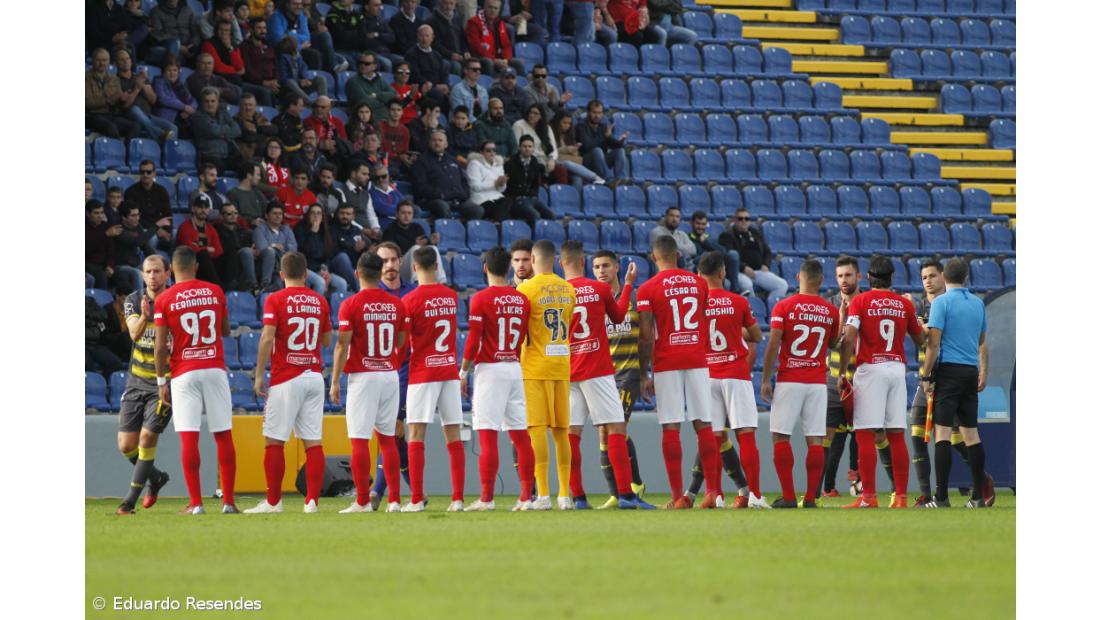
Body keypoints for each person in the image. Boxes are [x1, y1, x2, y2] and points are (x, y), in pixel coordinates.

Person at [560, 242, 655, 510]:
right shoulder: (598, 289)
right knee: (615, 428)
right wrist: (628, 285)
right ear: (583, 262)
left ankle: (579, 498)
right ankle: (626, 494)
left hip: (567, 371)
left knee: (572, 434)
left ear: (561, 263)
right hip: (597, 369)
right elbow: (619, 315)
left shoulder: (556, 293)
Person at [636, 235, 721, 509]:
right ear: (679, 255)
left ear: (653, 257)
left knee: (671, 426)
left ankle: (677, 498)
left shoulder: (647, 289)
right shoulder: (700, 283)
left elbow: (646, 337)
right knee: (704, 424)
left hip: (666, 361)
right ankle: (713, 493)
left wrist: (644, 374)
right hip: (697, 358)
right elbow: (704, 319)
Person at [244, 251, 332, 514]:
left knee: (274, 441)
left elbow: (267, 338)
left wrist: (260, 375)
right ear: (305, 274)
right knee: (313, 442)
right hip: (314, 376)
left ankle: (273, 502)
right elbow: (327, 340)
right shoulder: (319, 300)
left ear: (282, 275)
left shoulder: (275, 299)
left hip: (286, 376)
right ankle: (312, 502)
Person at [153, 246, 237, 515]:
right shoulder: (215, 291)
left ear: (171, 270)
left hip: (184, 372)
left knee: (189, 436)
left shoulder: (164, 299)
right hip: (214, 367)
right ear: (196, 267)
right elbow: (225, 330)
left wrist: (161, 382)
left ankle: (196, 503)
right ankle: (229, 502)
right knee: (223, 435)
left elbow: (160, 348)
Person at [837, 256, 924, 509]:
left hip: (870, 369)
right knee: (896, 434)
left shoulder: (860, 301)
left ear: (868, 277)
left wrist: (842, 373)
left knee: (864, 434)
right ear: (892, 277)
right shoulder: (903, 304)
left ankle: (869, 497)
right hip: (897, 369)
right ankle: (902, 497)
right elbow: (920, 340)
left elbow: (849, 337)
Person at [907, 260, 993, 507]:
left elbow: (934, 343)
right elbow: (981, 340)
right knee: (971, 435)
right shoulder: (978, 303)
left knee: (942, 434)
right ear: (966, 277)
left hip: (948, 373)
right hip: (970, 372)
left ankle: (941, 497)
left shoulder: (941, 303)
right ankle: (978, 497)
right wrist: (981, 370)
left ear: (944, 276)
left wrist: (926, 375)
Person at [458, 247, 537, 511]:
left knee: (488, 435)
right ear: (509, 268)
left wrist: (463, 372)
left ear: (485, 268)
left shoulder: (480, 299)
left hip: (490, 370)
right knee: (520, 435)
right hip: (513, 367)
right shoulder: (521, 300)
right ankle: (526, 496)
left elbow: (473, 340)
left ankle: (487, 498)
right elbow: (523, 336)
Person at [329, 253, 409, 513]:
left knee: (360, 440)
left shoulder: (351, 304)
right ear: (380, 273)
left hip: (363, 376)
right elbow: (401, 341)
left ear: (357, 273)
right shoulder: (397, 304)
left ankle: (363, 501)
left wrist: (334, 381)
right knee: (388, 439)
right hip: (389, 374)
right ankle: (394, 501)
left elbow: (342, 345)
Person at [759, 259, 840, 508]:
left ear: (798, 278)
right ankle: (811, 498)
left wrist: (765, 378)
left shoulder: (784, 306)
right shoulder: (830, 310)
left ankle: (789, 497)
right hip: (817, 382)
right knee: (815, 439)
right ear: (821, 280)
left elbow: (774, 342)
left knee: (780, 436)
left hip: (790, 379)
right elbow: (833, 343)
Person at [691, 251, 764, 508]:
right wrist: (735, 329)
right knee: (745, 435)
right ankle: (754, 496)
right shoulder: (738, 302)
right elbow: (757, 337)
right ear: (722, 272)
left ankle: (715, 494)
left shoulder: (695, 305)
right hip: (735, 373)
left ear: (699, 275)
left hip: (706, 375)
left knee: (712, 437)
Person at [400, 246, 467, 512]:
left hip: (423, 372)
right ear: (437, 267)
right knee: (453, 434)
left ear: (414, 268)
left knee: (416, 434)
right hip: (448, 370)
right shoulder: (451, 297)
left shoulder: (410, 300)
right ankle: (458, 499)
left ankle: (417, 499)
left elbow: (404, 342)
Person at [517, 240, 576, 510]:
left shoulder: (526, 289)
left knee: (538, 430)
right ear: (555, 260)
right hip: (561, 366)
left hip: (535, 367)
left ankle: (543, 495)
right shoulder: (568, 289)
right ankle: (564, 495)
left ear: (532, 259)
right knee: (562, 431)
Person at [114, 256, 174, 515]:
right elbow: (133, 334)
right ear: (142, 274)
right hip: (136, 380)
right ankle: (156, 477)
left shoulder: (175, 300)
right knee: (126, 445)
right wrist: (145, 317)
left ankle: (128, 502)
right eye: (148, 271)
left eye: (157, 271)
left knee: (147, 437)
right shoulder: (133, 300)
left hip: (165, 383)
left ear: (168, 273)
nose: (152, 276)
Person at [588, 250, 646, 508]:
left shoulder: (633, 298)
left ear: (617, 268)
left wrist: (645, 373)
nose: (601, 271)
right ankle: (616, 493)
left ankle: (634, 484)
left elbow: (646, 338)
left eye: (606, 266)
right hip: (602, 375)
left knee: (616, 428)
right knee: (604, 432)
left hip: (628, 373)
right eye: (597, 267)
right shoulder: (593, 300)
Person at [411, 130, 483, 220]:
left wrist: (464, 194)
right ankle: (444, 227)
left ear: (446, 144)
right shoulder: (421, 161)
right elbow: (420, 186)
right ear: (429, 143)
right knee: (443, 207)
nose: (437, 143)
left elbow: (464, 181)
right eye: (434, 140)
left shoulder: (453, 160)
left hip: (457, 200)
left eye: (440, 140)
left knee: (477, 210)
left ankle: (461, 227)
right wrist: (440, 194)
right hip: (432, 200)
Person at [720, 207, 789, 297]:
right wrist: (744, 268)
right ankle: (753, 305)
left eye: (746, 219)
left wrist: (765, 264)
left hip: (758, 271)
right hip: (739, 272)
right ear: (735, 220)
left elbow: (767, 251)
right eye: (740, 219)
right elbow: (728, 256)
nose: (744, 221)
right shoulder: (728, 235)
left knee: (782, 285)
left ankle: (771, 305)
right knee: (747, 285)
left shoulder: (755, 232)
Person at [114, 48, 178, 141]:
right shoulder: (115, 80)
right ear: (115, 63)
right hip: (129, 115)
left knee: (173, 128)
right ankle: (159, 135)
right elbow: (125, 105)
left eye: (127, 58)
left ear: (131, 61)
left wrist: (143, 83)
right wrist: (137, 88)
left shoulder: (140, 77)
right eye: (122, 60)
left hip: (147, 115)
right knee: (135, 109)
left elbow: (153, 100)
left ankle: (165, 147)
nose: (126, 62)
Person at [268, 0, 349, 74]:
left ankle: (333, 67)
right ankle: (313, 78)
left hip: (302, 45)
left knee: (325, 35)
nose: (298, 6)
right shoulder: (276, 17)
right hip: (285, 49)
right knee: (314, 55)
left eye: (300, 4)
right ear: (287, 4)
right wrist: (300, 46)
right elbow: (279, 41)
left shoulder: (301, 14)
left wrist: (288, 34)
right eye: (294, 4)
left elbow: (306, 37)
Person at [294, 204, 352, 294]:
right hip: (305, 269)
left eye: (319, 213)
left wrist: (325, 271)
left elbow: (328, 254)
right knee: (320, 282)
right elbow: (306, 252)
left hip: (321, 269)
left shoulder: (325, 231)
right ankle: (317, 303)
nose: (316, 216)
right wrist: (313, 233)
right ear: (308, 215)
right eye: (313, 213)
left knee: (342, 283)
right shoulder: (300, 229)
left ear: (322, 217)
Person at [86, 48, 141, 139]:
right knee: (111, 127)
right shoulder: (86, 78)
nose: (102, 63)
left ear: (109, 62)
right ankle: (117, 147)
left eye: (104, 60)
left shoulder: (114, 79)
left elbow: (117, 102)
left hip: (110, 115)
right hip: (92, 115)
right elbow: (88, 103)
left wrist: (122, 100)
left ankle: (126, 147)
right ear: (93, 61)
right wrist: (108, 100)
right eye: (98, 60)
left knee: (135, 126)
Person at [503, 135, 555, 230]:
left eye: (530, 146)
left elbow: (536, 184)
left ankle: (546, 237)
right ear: (519, 147)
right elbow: (507, 186)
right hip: (516, 199)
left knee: (551, 215)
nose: (527, 149)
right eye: (524, 146)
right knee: (535, 215)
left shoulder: (534, 161)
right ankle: (533, 237)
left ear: (533, 148)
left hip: (531, 198)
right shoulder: (510, 163)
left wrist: (533, 195)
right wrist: (517, 196)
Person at [124, 160, 174, 254]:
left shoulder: (161, 191)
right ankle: (151, 262)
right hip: (141, 227)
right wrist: (156, 228)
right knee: (152, 238)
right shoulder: (130, 192)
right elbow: (134, 219)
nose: (145, 175)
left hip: (159, 227)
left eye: (148, 172)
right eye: (142, 172)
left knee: (175, 234)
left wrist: (167, 231)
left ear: (154, 173)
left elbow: (168, 214)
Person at [175, 194, 224, 285]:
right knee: (203, 254)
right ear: (193, 209)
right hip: (191, 265)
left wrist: (201, 249)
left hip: (209, 265)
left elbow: (219, 250)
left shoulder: (210, 228)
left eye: (206, 208)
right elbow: (189, 250)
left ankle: (233, 285)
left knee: (229, 253)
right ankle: (218, 287)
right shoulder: (184, 227)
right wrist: (207, 249)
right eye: (200, 207)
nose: (203, 210)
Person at [688, 211, 742, 293]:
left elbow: (723, 252)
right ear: (692, 223)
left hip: (718, 268)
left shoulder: (711, 238)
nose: (700, 227)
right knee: (726, 283)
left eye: (703, 224)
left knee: (733, 254)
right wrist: (709, 255)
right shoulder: (688, 238)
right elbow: (694, 259)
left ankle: (735, 291)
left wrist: (705, 242)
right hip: (701, 271)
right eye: (698, 224)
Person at [575, 100, 627, 184]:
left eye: (599, 113)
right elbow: (588, 146)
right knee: (597, 150)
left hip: (602, 162)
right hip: (587, 162)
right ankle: (609, 181)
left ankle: (621, 179)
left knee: (620, 151)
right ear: (588, 112)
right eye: (594, 112)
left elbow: (613, 145)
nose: (597, 116)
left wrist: (620, 141)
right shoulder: (580, 127)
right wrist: (605, 137)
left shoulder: (603, 127)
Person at [466, 0, 523, 75]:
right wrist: (494, 60)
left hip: (499, 59)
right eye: (490, 7)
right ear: (484, 7)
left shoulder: (499, 22)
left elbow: (506, 44)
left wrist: (506, 60)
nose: (492, 11)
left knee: (519, 63)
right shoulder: (474, 22)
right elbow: (476, 46)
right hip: (481, 58)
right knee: (488, 62)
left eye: (496, 8)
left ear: (499, 10)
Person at [192, 87, 243, 170]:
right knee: (218, 167)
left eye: (213, 101)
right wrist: (227, 129)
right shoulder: (198, 117)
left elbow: (237, 131)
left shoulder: (224, 113)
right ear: (202, 103)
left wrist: (220, 131)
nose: (210, 104)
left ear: (218, 102)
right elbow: (214, 131)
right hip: (209, 155)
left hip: (227, 155)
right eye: (206, 101)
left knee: (247, 167)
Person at [212, 203, 260, 292]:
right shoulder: (216, 231)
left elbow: (251, 246)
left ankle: (265, 284)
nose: (233, 216)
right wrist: (246, 250)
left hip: (244, 261)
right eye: (229, 214)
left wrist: (254, 249)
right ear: (221, 216)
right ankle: (253, 286)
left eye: (235, 213)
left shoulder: (242, 231)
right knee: (245, 252)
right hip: (226, 263)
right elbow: (223, 249)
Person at [551, 112, 605, 188]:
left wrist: (574, 150)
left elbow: (575, 155)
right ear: (557, 122)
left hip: (570, 163)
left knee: (577, 178)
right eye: (564, 123)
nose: (567, 126)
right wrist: (563, 150)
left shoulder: (569, 134)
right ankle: (595, 177)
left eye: (569, 123)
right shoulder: (550, 133)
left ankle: (576, 195)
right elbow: (550, 152)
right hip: (555, 161)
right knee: (567, 163)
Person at [115, 204, 160, 293]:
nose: (137, 218)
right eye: (133, 215)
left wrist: (158, 261)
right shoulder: (118, 229)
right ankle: (138, 300)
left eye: (138, 215)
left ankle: (164, 298)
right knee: (137, 273)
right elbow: (137, 242)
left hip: (136, 265)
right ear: (124, 217)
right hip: (120, 265)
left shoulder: (137, 227)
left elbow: (145, 247)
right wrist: (156, 226)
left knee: (160, 268)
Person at [403, 24, 453, 107]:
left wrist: (445, 84)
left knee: (452, 95)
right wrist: (434, 86)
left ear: (432, 38)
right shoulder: (411, 54)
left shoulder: (437, 55)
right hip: (422, 88)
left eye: (427, 36)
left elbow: (443, 73)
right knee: (438, 95)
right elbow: (415, 75)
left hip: (437, 86)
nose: (424, 39)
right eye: (421, 35)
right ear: (417, 37)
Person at [252, 202, 297, 290]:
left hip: (287, 266)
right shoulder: (259, 230)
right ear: (266, 215)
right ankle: (264, 287)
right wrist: (274, 246)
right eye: (274, 213)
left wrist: (277, 247)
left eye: (280, 214)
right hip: (268, 268)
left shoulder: (286, 229)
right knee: (279, 284)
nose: (278, 216)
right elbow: (262, 249)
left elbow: (293, 248)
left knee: (319, 282)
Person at [466, 140, 513, 221]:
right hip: (481, 199)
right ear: (481, 152)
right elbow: (475, 186)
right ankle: (498, 222)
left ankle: (497, 222)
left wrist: (502, 184)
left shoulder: (498, 165)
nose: (492, 153)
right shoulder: (474, 164)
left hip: (497, 198)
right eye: (488, 150)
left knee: (508, 201)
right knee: (506, 215)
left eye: (494, 150)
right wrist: (495, 184)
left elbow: (501, 190)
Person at [240, 17, 280, 107]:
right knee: (266, 91)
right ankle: (268, 114)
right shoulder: (245, 46)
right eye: (259, 28)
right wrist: (263, 82)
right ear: (251, 30)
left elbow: (276, 66)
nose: (263, 31)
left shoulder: (269, 45)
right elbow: (248, 70)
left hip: (272, 82)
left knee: (291, 89)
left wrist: (275, 81)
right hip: (254, 83)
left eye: (264, 28)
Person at [347, 52, 398, 119]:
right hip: (366, 120)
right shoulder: (353, 81)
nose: (363, 65)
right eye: (361, 63)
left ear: (375, 66)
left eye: (367, 64)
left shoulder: (379, 80)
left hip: (386, 118)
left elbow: (394, 95)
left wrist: (376, 95)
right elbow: (365, 102)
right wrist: (385, 103)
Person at [276, 35, 326, 102]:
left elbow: (304, 69)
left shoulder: (298, 57)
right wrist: (299, 82)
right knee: (290, 82)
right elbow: (284, 79)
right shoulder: (282, 58)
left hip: (301, 87)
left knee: (320, 79)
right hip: (288, 90)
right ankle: (309, 101)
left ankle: (323, 101)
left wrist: (306, 79)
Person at [152, 56, 198, 130]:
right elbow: (163, 99)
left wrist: (190, 110)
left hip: (183, 118)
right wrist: (184, 107)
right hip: (168, 119)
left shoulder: (180, 85)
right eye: (169, 70)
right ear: (163, 72)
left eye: (175, 70)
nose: (172, 73)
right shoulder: (158, 81)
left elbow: (193, 100)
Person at [429, 0, 473, 75]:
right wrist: (450, 55)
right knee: (456, 66)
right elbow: (434, 44)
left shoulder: (456, 19)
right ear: (439, 3)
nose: (448, 7)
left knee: (474, 65)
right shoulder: (432, 20)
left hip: (460, 55)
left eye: (451, 4)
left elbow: (463, 38)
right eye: (445, 3)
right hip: (444, 57)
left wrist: (466, 51)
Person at [86, 201, 121, 290]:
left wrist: (110, 265)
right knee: (101, 276)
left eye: (101, 213)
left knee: (123, 277)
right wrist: (105, 235)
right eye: (96, 213)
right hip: (88, 263)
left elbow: (111, 251)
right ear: (87, 213)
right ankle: (102, 299)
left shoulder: (106, 226)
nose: (100, 216)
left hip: (104, 264)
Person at [649, 206, 696, 271]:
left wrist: (676, 247)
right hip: (664, 266)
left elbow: (693, 250)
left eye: (677, 217)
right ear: (666, 217)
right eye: (672, 216)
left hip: (680, 265)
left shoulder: (682, 234)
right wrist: (683, 249)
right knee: (684, 257)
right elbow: (667, 249)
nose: (674, 219)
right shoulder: (657, 232)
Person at [234, 92, 278, 160]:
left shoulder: (259, 116)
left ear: (255, 106)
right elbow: (248, 137)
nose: (248, 107)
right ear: (240, 106)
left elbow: (274, 130)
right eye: (245, 105)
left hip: (265, 148)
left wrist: (257, 129)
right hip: (249, 151)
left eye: (250, 105)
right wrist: (265, 132)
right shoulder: (236, 119)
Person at [360, 0, 401, 72]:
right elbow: (366, 41)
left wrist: (377, 35)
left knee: (403, 60)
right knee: (387, 63)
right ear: (367, 7)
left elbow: (392, 37)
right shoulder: (362, 21)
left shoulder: (381, 20)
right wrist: (383, 38)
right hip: (372, 54)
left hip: (386, 52)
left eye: (380, 5)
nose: (380, 8)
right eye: (376, 5)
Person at [378, 98, 416, 174]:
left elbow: (405, 151)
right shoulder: (380, 126)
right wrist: (399, 157)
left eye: (399, 110)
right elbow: (379, 150)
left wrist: (410, 158)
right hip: (383, 160)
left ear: (402, 112)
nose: (396, 112)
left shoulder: (405, 130)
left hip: (399, 162)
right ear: (388, 111)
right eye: (393, 110)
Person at [304, 96, 347, 161]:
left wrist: (336, 145)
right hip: (315, 154)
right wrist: (320, 144)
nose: (319, 109)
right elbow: (305, 141)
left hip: (335, 155)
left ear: (329, 108)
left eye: (323, 107)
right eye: (316, 106)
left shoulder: (337, 122)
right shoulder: (308, 121)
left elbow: (344, 141)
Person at [227, 161, 269, 225]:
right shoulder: (232, 194)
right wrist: (251, 222)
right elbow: (233, 217)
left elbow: (267, 213)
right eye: (258, 175)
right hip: (245, 228)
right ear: (249, 175)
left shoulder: (258, 193)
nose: (259, 178)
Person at [368, 165, 401, 230]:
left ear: (388, 176)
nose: (380, 179)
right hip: (386, 225)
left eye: (383, 176)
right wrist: (401, 211)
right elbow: (383, 209)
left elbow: (406, 205)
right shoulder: (372, 193)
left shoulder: (394, 191)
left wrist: (402, 211)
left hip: (400, 222)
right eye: (377, 178)